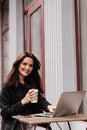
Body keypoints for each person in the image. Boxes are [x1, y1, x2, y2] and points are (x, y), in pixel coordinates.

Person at [0, 52, 56, 130]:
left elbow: (39, 99)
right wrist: (23, 101)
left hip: (33, 123)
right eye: (24, 64)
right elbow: (5, 113)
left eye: (30, 66)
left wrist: (48, 106)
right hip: (16, 126)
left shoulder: (31, 82)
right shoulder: (7, 86)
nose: (27, 68)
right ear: (18, 64)